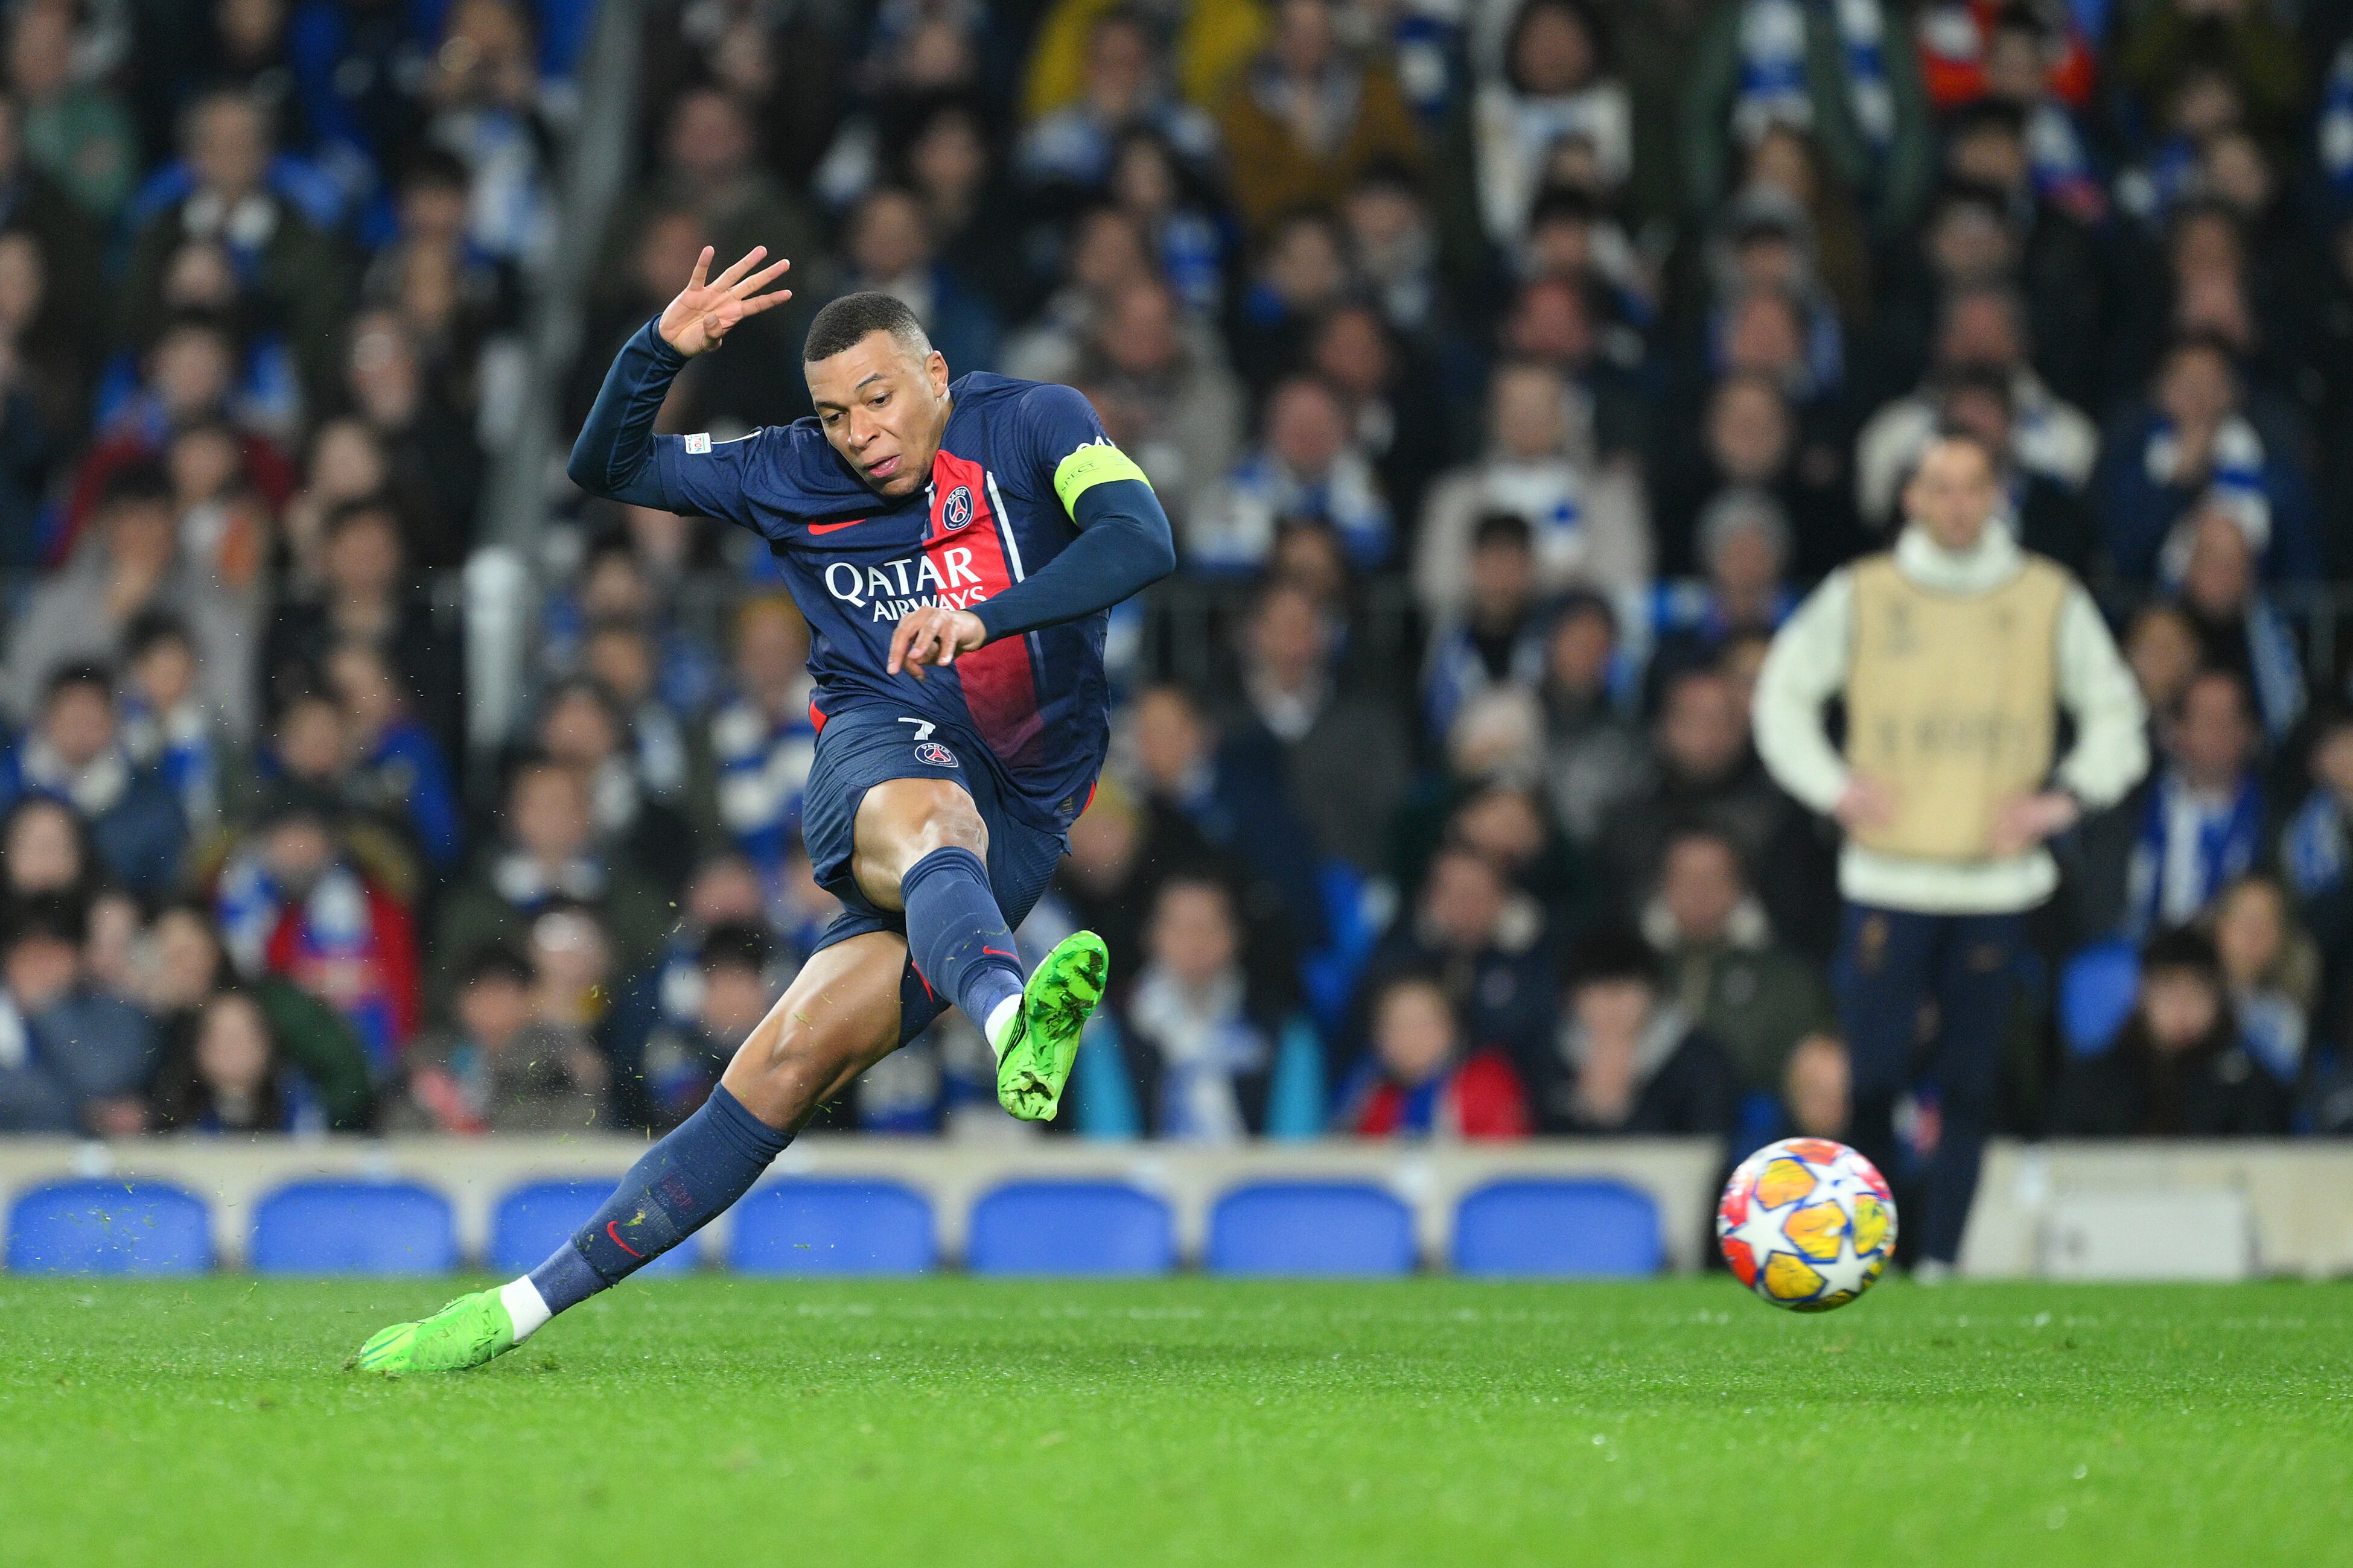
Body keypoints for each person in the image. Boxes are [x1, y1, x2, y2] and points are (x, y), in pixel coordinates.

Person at [357, 258, 1175, 1373]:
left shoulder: (1038, 423)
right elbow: (603, 464)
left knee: (784, 1066)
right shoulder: (785, 467)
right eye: (836, 412)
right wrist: (657, 348)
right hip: (877, 746)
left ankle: (506, 1311)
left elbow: (1140, 539)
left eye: (879, 398)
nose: (858, 433)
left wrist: (983, 619)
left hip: (1027, 805)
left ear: (934, 373)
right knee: (933, 816)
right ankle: (1007, 1014)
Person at [1754, 427, 2147, 1272]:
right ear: (1910, 498)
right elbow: (1779, 694)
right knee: (1870, 1080)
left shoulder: (2043, 596)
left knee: (1970, 1081)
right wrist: (1830, 785)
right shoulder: (1862, 592)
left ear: (1996, 494)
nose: (1957, 503)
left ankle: (1936, 1259)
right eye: (1940, 485)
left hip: (1993, 882)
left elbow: (2118, 712)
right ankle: (1870, 1255)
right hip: (1886, 873)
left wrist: (2063, 796)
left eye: (1973, 485)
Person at [2049, 927, 2290, 1137]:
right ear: (2143, 997)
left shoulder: (2250, 1085)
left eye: (2195, 993)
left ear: (2218, 1000)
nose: (2181, 1008)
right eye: (2168, 992)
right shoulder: (2094, 1082)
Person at [1333, 971, 1529, 1138]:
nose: (1408, 1038)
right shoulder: (1370, 1096)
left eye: (1420, 1024)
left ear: (1451, 1028)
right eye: (1395, 1026)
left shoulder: (1486, 1081)